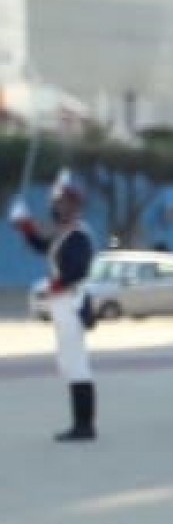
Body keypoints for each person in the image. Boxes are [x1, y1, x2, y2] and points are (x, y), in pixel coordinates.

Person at [11, 169, 97, 441]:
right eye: (59, 202)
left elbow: (78, 270)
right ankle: (81, 424)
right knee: (69, 363)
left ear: (74, 206)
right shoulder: (65, 234)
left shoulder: (78, 236)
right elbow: (42, 246)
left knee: (76, 364)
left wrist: (55, 287)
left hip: (72, 303)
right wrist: (24, 225)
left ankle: (84, 425)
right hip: (64, 304)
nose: (59, 207)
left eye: (64, 203)